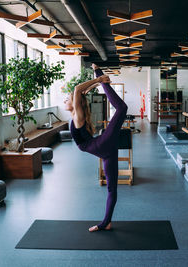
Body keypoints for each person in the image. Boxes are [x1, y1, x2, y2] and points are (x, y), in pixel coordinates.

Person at [64, 63, 128, 232]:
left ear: (75, 103)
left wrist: (99, 77)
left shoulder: (77, 116)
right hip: (105, 150)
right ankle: (106, 222)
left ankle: (105, 223)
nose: (65, 100)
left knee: (122, 108)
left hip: (101, 145)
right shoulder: (77, 115)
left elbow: (78, 89)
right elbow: (80, 91)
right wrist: (96, 81)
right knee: (112, 189)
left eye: (67, 99)